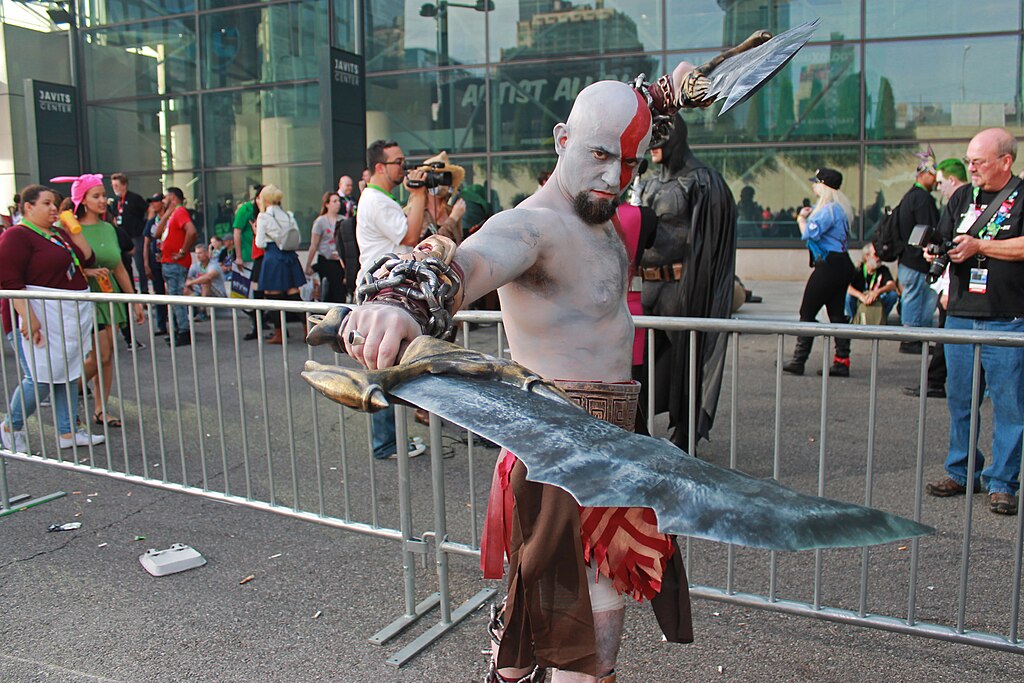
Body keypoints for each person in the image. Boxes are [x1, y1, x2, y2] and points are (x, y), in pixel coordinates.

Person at [340, 73, 711, 681]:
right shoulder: (534, 225)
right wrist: (403, 299)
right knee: (580, 640)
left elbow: (624, 131)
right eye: (597, 154)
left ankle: (509, 664)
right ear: (561, 139)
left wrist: (661, 94)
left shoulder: (604, 218)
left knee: (586, 626)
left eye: (628, 163)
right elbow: (471, 259)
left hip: (614, 446)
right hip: (557, 451)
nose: (613, 177)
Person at [924, 127, 1024, 516]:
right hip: (961, 314)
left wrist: (981, 245)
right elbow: (947, 240)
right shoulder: (962, 196)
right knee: (960, 399)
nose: (971, 168)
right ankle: (961, 470)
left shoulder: (1021, 196)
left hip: (1008, 318)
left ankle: (1003, 482)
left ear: (1005, 161)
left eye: (978, 161)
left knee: (1009, 404)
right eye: (968, 160)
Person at [637, 115, 737, 448]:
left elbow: (711, 244)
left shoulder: (703, 181)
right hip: (648, 286)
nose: (653, 149)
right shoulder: (648, 182)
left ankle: (685, 432)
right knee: (639, 365)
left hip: (683, 287)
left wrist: (702, 288)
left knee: (688, 363)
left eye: (658, 140)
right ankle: (637, 429)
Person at [0, 185, 104, 451]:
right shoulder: (16, 235)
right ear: (28, 207)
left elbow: (86, 257)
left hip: (63, 316)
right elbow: (10, 280)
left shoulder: (58, 233)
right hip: (35, 316)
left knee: (67, 372)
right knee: (40, 377)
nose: (53, 208)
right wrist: (29, 317)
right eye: (46, 203)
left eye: (55, 203)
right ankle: (12, 425)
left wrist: (73, 230)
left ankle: (68, 431)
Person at [51, 174, 145, 428]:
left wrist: (134, 300)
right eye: (97, 196)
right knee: (99, 356)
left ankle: (100, 409)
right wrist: (87, 272)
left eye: (104, 195)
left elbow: (118, 268)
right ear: (82, 199)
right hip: (82, 297)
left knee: (107, 355)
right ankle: (67, 394)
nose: (103, 200)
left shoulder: (108, 228)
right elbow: (62, 265)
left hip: (108, 295)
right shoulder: (66, 228)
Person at [354, 139, 428, 460]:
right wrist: (419, 193)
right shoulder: (377, 201)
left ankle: (391, 440)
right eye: (398, 162)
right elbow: (410, 237)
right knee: (384, 370)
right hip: (381, 296)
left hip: (384, 294)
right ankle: (386, 443)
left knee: (388, 368)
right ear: (380, 167)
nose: (405, 167)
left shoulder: (378, 198)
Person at [904, 157, 969, 398]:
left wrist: (947, 286)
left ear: (952, 180)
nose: (938, 187)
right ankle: (936, 381)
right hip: (953, 282)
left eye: (941, 182)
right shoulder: (958, 203)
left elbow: (959, 249)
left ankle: (937, 382)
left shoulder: (965, 203)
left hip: (959, 285)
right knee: (946, 336)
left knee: (949, 336)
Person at [782, 168, 855, 377]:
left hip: (829, 266)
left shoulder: (827, 210)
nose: (813, 186)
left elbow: (809, 233)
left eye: (816, 183)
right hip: (841, 264)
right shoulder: (839, 208)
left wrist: (800, 220)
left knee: (807, 312)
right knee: (837, 314)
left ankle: (799, 360)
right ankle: (842, 361)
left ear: (823, 186)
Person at [895, 147, 940, 353]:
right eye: (932, 174)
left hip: (909, 260)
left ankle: (914, 338)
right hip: (916, 261)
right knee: (917, 298)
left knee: (915, 297)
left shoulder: (910, 197)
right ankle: (912, 339)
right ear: (922, 175)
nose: (936, 179)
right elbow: (928, 229)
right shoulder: (921, 199)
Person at [253, 184, 305, 345]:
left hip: (273, 256)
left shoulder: (263, 217)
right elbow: (298, 238)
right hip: (289, 256)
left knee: (273, 295)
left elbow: (260, 243)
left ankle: (279, 333)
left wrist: (256, 232)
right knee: (294, 294)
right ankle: (308, 328)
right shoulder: (289, 215)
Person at [154, 187, 198, 347]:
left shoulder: (180, 212)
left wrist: (182, 251)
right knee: (173, 296)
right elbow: (157, 234)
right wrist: (166, 214)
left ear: (173, 197)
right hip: (169, 261)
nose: (163, 200)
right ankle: (178, 329)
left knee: (175, 296)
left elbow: (191, 231)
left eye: (166, 197)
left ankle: (183, 331)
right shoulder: (174, 214)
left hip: (175, 263)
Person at [407, 151, 467, 244]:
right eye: (437, 176)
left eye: (446, 177)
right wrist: (452, 219)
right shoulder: (415, 211)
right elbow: (428, 245)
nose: (442, 182)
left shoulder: (451, 211)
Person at [232, 184, 264, 341]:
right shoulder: (245, 210)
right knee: (249, 295)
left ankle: (262, 322)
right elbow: (237, 231)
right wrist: (238, 256)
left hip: (262, 257)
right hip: (247, 257)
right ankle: (256, 325)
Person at [109, 172, 149, 294]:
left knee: (140, 265)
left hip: (136, 236)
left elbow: (148, 210)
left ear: (124, 185)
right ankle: (131, 290)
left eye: (117, 185)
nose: (115, 188)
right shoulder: (116, 201)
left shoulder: (134, 198)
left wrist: (146, 228)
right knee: (125, 265)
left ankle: (145, 292)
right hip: (123, 238)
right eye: (113, 185)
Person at [305, 192, 346, 304]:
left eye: (338, 201)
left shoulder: (343, 220)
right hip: (326, 259)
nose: (337, 204)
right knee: (331, 288)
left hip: (340, 260)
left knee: (339, 290)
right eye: (334, 201)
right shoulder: (320, 222)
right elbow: (314, 245)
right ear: (327, 204)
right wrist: (308, 265)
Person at [846, 242, 898, 323]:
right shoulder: (858, 269)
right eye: (876, 255)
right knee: (848, 297)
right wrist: (861, 296)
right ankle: (854, 319)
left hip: (876, 300)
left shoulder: (883, 269)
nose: (879, 258)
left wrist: (877, 292)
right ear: (867, 256)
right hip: (860, 300)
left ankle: (881, 319)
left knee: (892, 295)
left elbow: (892, 285)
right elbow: (847, 287)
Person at [142, 192, 168, 335]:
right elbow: (146, 244)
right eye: (151, 202)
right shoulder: (151, 222)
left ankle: (177, 324)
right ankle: (161, 325)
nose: (153, 204)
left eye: (155, 201)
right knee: (159, 294)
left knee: (173, 293)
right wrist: (146, 264)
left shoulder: (170, 219)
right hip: (155, 261)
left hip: (169, 260)